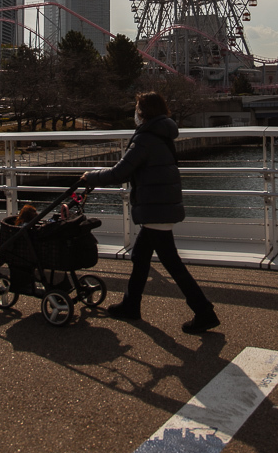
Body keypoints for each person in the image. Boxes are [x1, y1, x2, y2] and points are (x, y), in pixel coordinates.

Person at [82, 91, 220, 334]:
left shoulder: (145, 138)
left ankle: (204, 311)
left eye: (137, 108)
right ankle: (131, 305)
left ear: (143, 112)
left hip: (157, 209)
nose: (135, 113)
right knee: (140, 258)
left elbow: (120, 172)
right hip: (163, 205)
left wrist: (90, 176)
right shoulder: (163, 133)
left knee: (172, 264)